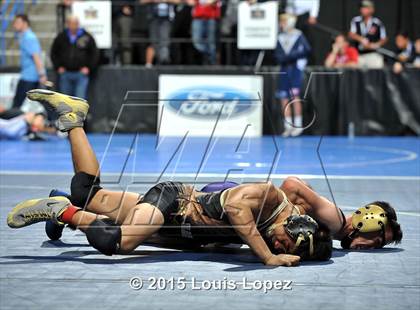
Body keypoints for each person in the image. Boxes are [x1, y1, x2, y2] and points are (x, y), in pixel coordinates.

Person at [7, 89, 334, 267]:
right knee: (119, 244)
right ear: (292, 228)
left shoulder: (289, 227)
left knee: (85, 193)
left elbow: (310, 234)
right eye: (284, 243)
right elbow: (235, 209)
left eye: (285, 248)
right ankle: (60, 211)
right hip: (173, 204)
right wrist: (268, 257)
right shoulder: (270, 197)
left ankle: (73, 119)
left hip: (179, 228)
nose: (279, 246)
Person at [275, 13, 311, 137]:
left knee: (295, 98)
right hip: (284, 70)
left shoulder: (298, 35)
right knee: (284, 99)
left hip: (294, 70)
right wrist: (287, 57)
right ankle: (288, 126)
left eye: (284, 22)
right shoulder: (280, 36)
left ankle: (298, 125)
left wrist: (290, 56)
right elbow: (278, 55)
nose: (281, 24)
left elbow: (306, 50)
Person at [50, 15, 98, 99]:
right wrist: (58, 66)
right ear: (68, 24)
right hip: (65, 73)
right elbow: (54, 52)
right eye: (71, 24)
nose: (73, 26)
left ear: (78, 24)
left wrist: (89, 67)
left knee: (80, 99)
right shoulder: (61, 36)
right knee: (65, 100)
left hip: (81, 74)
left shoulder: (86, 37)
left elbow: (94, 53)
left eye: (75, 24)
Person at [11, 14, 47, 109]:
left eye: (17, 22)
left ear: (25, 23)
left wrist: (42, 74)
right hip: (28, 76)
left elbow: (36, 57)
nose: (15, 25)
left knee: (17, 105)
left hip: (29, 77)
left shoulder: (29, 37)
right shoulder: (24, 36)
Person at [348, 0, 387, 69]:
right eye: (362, 8)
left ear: (371, 10)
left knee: (378, 65)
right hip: (359, 54)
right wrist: (361, 39)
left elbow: (384, 38)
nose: (362, 10)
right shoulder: (356, 20)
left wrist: (375, 45)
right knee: (354, 69)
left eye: (365, 8)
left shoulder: (377, 23)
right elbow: (351, 34)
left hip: (372, 54)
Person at [141, 0, 181, 67]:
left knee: (164, 41)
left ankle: (164, 62)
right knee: (154, 42)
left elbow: (178, 1)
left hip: (167, 19)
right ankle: (157, 61)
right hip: (153, 18)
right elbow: (142, 1)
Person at [187, 0, 221, 65]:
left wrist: (209, 2)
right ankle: (206, 56)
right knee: (197, 42)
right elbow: (190, 2)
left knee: (211, 42)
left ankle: (212, 63)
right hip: (198, 16)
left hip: (211, 16)